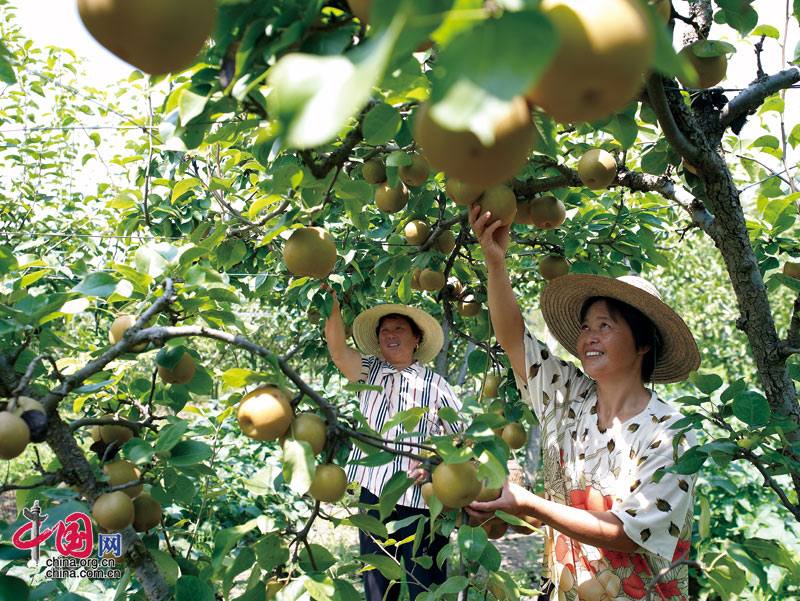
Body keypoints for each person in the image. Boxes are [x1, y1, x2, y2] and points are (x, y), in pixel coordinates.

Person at [465, 205, 700, 601]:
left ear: (643, 344)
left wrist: (529, 503)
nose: (589, 336)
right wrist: (495, 262)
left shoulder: (670, 432)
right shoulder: (568, 398)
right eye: (586, 327)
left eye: (605, 326)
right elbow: (514, 339)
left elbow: (626, 532)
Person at [322, 288, 461, 601]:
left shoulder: (435, 384)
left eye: (399, 328)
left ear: (416, 339)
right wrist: (331, 300)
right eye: (385, 330)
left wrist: (435, 461)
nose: (391, 335)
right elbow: (337, 350)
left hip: (422, 501)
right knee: (379, 588)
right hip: (374, 497)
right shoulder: (367, 370)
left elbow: (458, 439)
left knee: (424, 586)